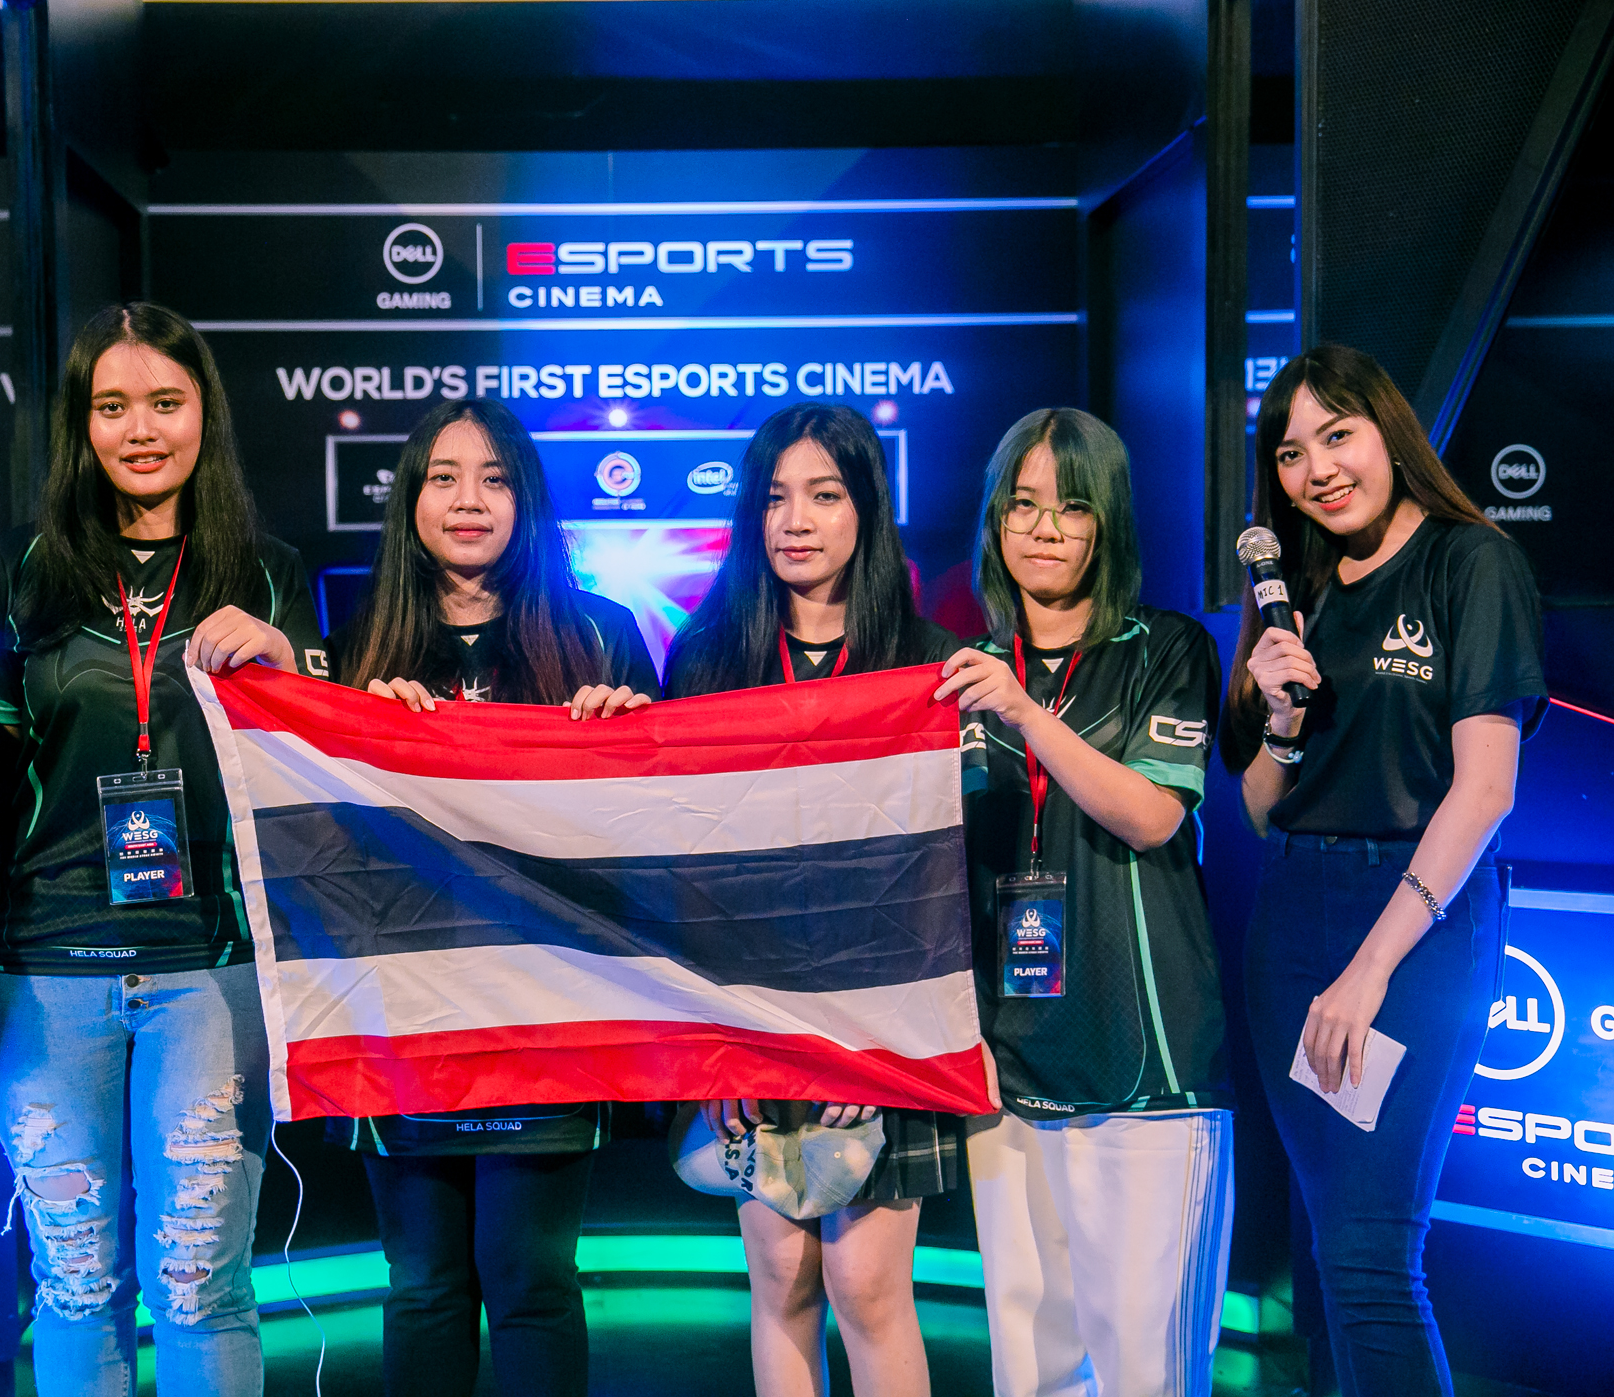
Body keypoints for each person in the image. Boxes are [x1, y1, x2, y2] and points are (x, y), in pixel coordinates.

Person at [0, 302, 326, 1397]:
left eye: (166, 402)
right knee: (76, 1286)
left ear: (204, 413)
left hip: (212, 965)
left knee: (201, 1285)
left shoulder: (267, 572)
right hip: (42, 968)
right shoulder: (25, 570)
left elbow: (323, 774)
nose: (142, 429)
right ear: (81, 423)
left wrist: (286, 660)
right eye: (112, 406)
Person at [1224, 345, 1543, 1396]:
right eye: (1290, 453)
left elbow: (1484, 790)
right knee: (1331, 1250)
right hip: (1292, 918)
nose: (1317, 469)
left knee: (1369, 1257)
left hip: (1413, 925)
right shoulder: (1298, 590)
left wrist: (1369, 969)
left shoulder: (1470, 562)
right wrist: (1279, 717)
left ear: (1389, 433)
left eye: (1337, 435)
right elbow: (1262, 809)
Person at [326, 397, 657, 1397]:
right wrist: (354, 736)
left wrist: (629, 739)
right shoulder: (356, 645)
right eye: (444, 477)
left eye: (495, 478)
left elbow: (660, 838)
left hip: (548, 1014)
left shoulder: (600, 636)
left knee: (530, 1283)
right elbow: (325, 847)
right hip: (405, 1013)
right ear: (410, 499)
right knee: (425, 1284)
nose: (469, 500)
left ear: (528, 500)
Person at [931, 407, 1232, 1396]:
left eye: (1072, 507)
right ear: (994, 521)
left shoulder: (1167, 648)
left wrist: (1023, 714)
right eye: (1022, 506)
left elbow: (1152, 815)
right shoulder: (959, 674)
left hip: (1147, 1074)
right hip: (1007, 1072)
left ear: (1109, 520)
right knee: (1032, 1369)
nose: (1045, 529)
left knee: (1150, 1374)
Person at [663, 402, 962, 1397]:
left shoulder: (925, 662)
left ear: (866, 508)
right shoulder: (708, 659)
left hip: (885, 1020)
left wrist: (875, 1039)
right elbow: (693, 872)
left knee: (866, 1286)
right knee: (781, 1278)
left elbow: (934, 877)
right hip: (752, 1021)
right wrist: (723, 1047)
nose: (797, 520)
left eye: (825, 495)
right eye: (776, 497)